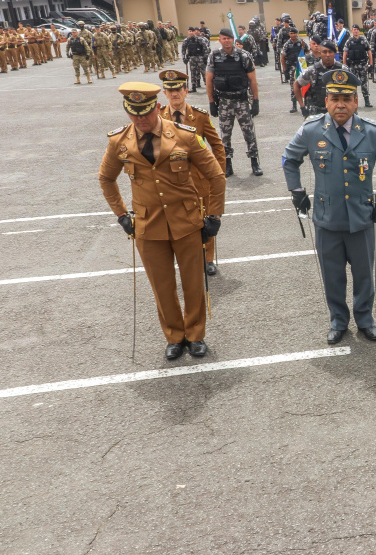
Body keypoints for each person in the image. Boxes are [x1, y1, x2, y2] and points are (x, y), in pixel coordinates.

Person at [98, 82, 226, 359]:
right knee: (162, 285)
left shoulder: (185, 136)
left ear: (157, 107)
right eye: (134, 114)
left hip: (187, 222)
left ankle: (195, 335)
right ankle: (174, 336)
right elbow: (106, 179)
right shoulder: (119, 141)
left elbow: (215, 175)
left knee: (193, 282)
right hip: (147, 225)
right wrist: (121, 215)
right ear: (127, 112)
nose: (141, 120)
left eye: (145, 113)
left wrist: (214, 215)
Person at [282, 69, 376, 345]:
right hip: (327, 219)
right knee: (332, 276)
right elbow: (289, 159)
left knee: (364, 275)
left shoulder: (372, 132)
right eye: (335, 98)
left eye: (347, 98)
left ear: (356, 102)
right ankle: (338, 320)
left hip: (362, 218)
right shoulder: (312, 130)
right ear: (326, 100)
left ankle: (365, 320)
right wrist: (297, 191)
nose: (341, 104)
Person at [159, 69, 227, 276]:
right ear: (164, 93)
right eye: (170, 90)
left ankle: (207, 259)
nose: (174, 94)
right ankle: (183, 259)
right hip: (170, 181)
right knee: (175, 220)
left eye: (178, 89)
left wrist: (217, 176)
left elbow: (218, 147)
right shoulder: (159, 117)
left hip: (198, 180)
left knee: (205, 218)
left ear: (186, 91)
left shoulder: (199, 116)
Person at [206, 28, 262, 177]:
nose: (227, 41)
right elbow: (209, 80)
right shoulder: (214, 56)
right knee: (225, 135)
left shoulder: (244, 55)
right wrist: (212, 102)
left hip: (241, 101)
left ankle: (254, 162)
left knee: (249, 133)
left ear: (233, 39)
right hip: (224, 101)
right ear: (219, 40)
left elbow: (252, 80)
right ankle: (227, 164)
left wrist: (255, 100)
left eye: (229, 38)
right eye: (223, 38)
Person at [294, 39, 346, 118]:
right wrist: (302, 106)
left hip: (337, 112)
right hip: (316, 113)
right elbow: (296, 85)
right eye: (324, 52)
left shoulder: (343, 70)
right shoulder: (312, 70)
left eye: (330, 52)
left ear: (335, 53)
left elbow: (353, 89)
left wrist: (353, 108)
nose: (327, 55)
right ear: (320, 53)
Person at [342, 24, 374, 108]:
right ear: (352, 31)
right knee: (352, 84)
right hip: (353, 65)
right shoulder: (349, 41)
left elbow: (369, 52)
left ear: (359, 31)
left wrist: (371, 64)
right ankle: (353, 102)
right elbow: (345, 53)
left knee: (364, 84)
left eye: (357, 29)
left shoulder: (363, 40)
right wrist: (344, 65)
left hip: (362, 65)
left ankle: (367, 101)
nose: (355, 31)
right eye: (354, 29)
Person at [281, 28, 306, 113]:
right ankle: (294, 105)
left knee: (305, 85)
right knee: (293, 86)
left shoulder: (301, 42)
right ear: (289, 34)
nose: (293, 35)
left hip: (302, 66)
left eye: (295, 33)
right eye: (291, 33)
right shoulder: (287, 44)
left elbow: (308, 52)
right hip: (292, 67)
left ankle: (305, 104)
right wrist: (285, 70)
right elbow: (283, 58)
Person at [182, 27, 210, 93]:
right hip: (192, 58)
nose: (191, 32)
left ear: (194, 32)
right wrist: (184, 58)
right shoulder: (187, 40)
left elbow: (206, 48)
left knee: (204, 73)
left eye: (192, 31)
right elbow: (183, 49)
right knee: (193, 73)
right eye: (189, 31)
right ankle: (193, 87)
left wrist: (205, 57)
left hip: (200, 57)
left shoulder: (200, 39)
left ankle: (208, 87)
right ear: (188, 32)